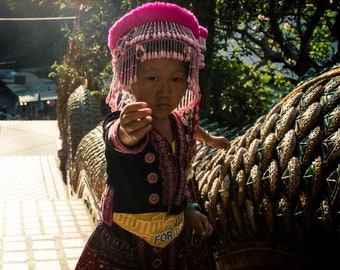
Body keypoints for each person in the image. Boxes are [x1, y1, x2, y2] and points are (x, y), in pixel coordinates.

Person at [75, 2, 229, 270]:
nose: (166, 92)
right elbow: (118, 139)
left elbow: (180, 173)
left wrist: (189, 210)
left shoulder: (179, 125)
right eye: (152, 78)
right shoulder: (123, 122)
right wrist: (125, 133)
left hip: (175, 246)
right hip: (124, 246)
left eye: (177, 80)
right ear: (129, 77)